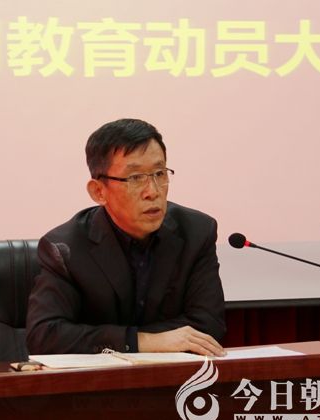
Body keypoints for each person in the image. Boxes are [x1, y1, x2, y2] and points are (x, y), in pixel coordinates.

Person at [26, 118, 226, 356]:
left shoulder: (196, 232)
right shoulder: (65, 248)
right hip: (99, 378)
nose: (153, 191)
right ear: (99, 191)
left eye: (159, 173)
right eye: (135, 178)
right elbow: (45, 336)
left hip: (174, 376)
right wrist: (141, 342)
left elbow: (208, 324)